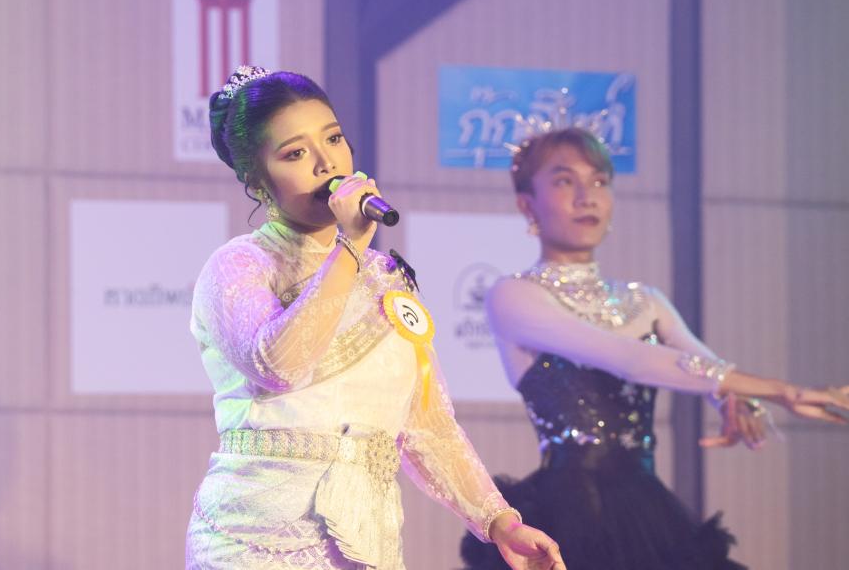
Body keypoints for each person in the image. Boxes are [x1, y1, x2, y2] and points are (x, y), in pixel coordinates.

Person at [185, 66, 566, 570]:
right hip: (256, 540)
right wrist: (348, 248)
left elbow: (428, 425)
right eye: (295, 154)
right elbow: (279, 365)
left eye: (333, 139)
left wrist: (499, 522)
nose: (327, 163)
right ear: (258, 182)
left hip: (365, 543)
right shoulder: (240, 265)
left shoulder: (386, 278)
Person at [459, 127, 849, 570]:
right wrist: (785, 391)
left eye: (600, 181)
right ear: (527, 204)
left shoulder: (646, 302)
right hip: (564, 510)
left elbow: (705, 365)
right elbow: (632, 360)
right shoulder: (513, 295)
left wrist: (737, 400)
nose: (587, 197)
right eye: (565, 180)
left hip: (648, 511)